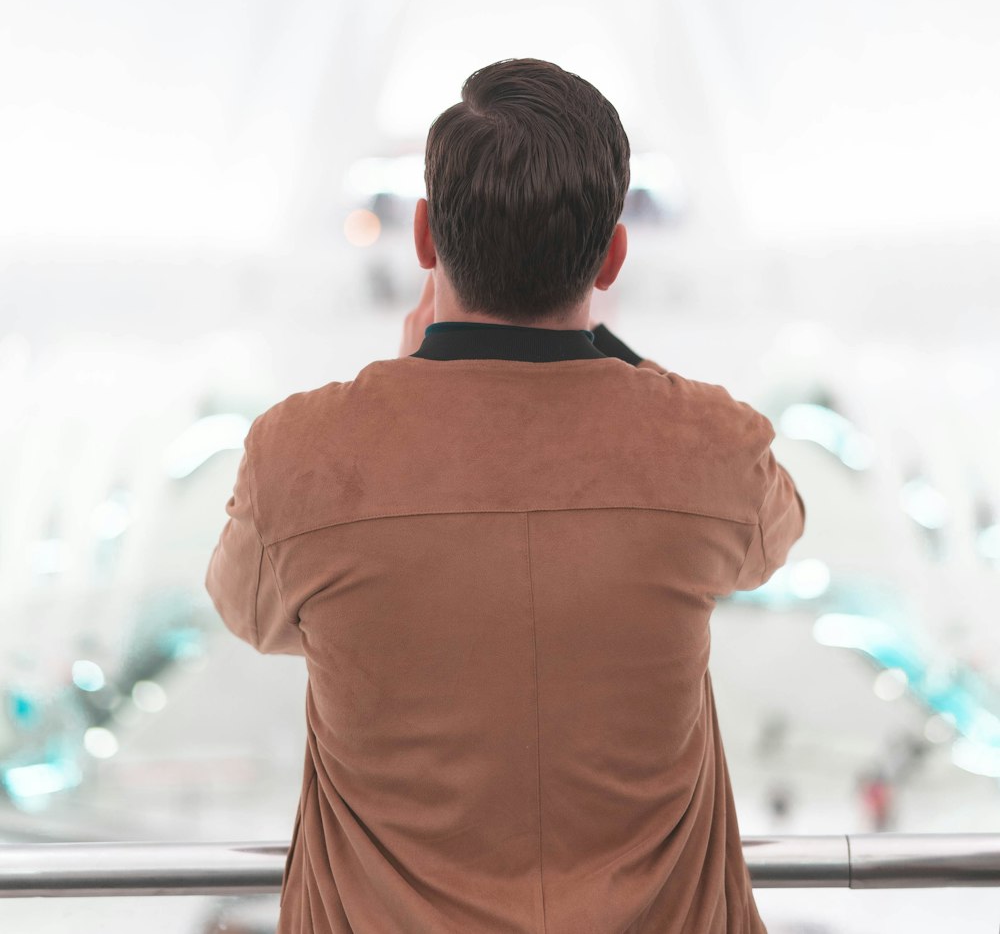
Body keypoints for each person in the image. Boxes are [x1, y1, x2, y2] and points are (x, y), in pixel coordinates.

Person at [205, 57, 806, 933]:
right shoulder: (711, 448)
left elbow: (251, 613)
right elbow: (773, 536)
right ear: (612, 256)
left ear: (423, 238)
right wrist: (628, 373)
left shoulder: (301, 457)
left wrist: (412, 377)